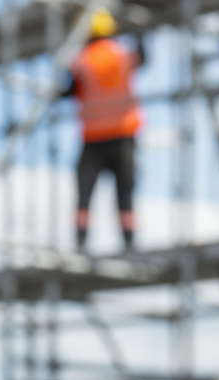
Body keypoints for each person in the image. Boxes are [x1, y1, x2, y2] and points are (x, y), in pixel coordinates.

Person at [63, 9, 146, 251]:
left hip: (93, 138)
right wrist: (141, 31)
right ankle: (129, 242)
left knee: (84, 193)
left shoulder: (81, 61)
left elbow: (69, 91)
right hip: (123, 135)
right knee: (125, 192)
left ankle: (80, 242)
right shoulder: (121, 54)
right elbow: (143, 58)